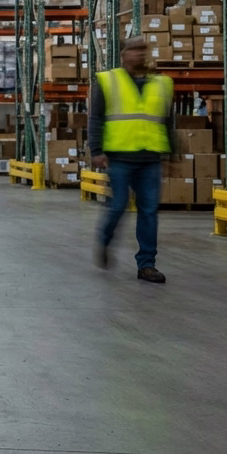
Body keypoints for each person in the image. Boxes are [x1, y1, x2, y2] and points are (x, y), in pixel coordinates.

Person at [90, 36, 173, 284]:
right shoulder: (107, 80)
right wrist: (96, 150)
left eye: (143, 50)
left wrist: (171, 153)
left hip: (150, 158)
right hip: (118, 157)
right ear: (123, 54)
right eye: (134, 49)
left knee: (149, 211)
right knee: (118, 206)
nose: (139, 54)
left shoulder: (162, 83)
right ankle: (104, 241)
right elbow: (96, 118)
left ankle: (147, 264)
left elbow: (168, 121)